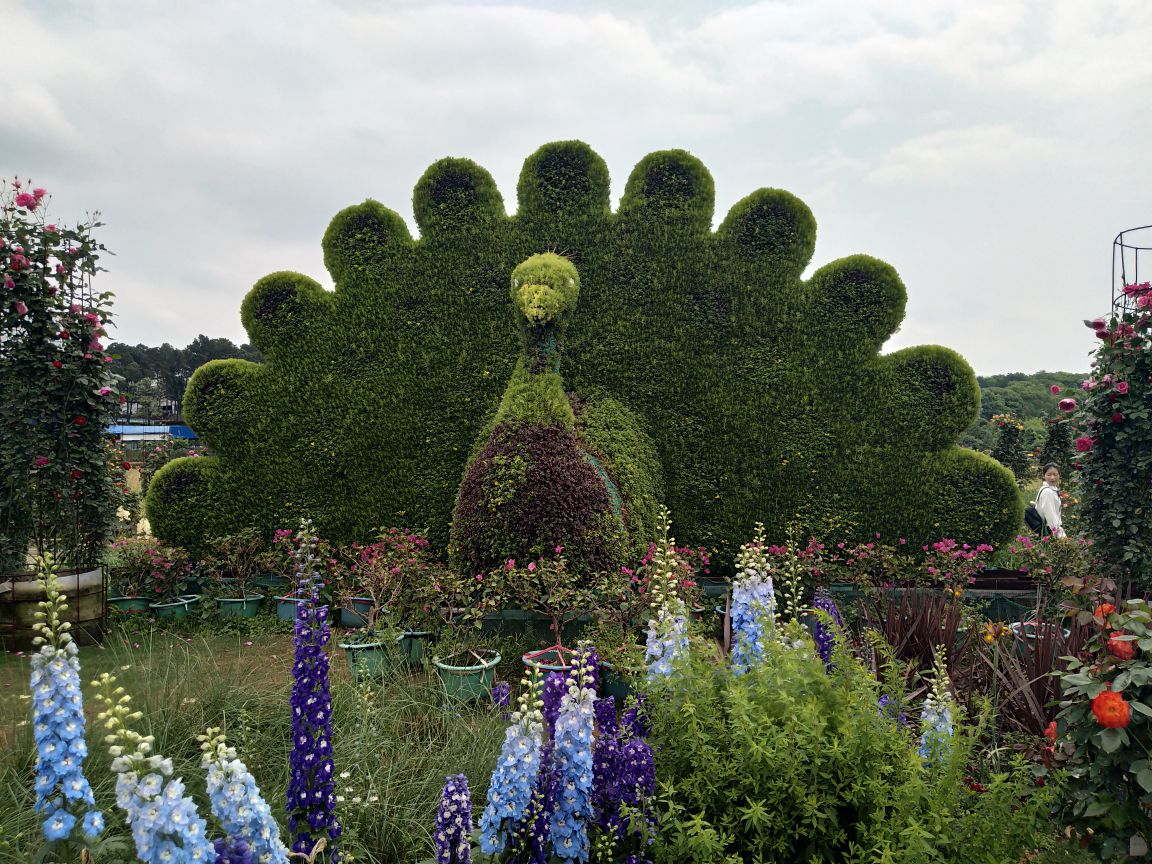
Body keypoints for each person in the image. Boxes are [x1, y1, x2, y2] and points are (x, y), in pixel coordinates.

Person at [1034, 462, 1065, 539]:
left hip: (1048, 530)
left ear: (1059, 475)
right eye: (1049, 474)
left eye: (1055, 474)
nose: (1052, 477)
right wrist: (1059, 535)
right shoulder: (1047, 491)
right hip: (1049, 532)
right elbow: (1050, 515)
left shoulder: (1052, 489)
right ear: (1044, 476)